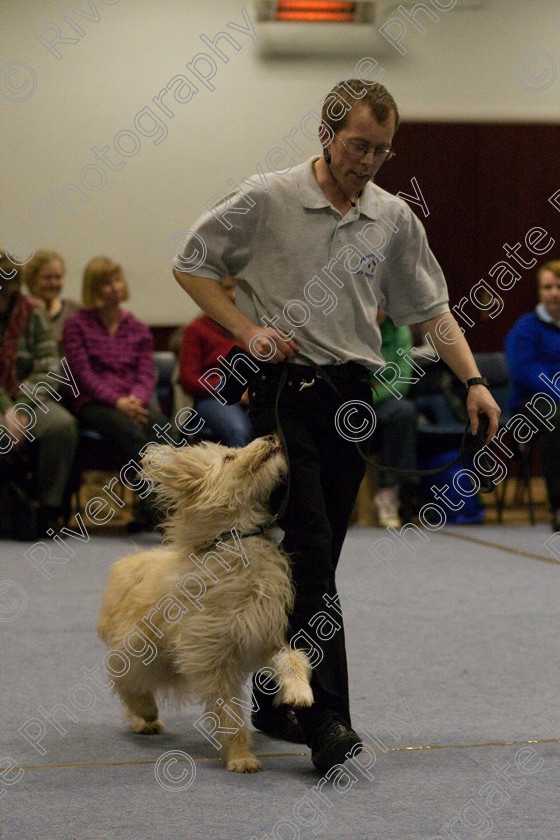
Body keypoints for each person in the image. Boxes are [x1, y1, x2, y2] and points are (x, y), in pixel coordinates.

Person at [172, 80, 500, 773]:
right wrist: (247, 331)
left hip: (353, 400)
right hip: (284, 394)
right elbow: (191, 263)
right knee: (313, 550)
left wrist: (472, 380)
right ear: (325, 134)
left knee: (309, 562)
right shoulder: (268, 197)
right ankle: (328, 724)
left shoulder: (393, 217)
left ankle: (272, 694)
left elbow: (432, 309)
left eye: (381, 150)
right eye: (358, 145)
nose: (368, 161)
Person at [62, 256, 173, 531]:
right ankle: (159, 513)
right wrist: (117, 401)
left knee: (168, 432)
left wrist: (136, 398)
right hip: (95, 404)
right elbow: (83, 374)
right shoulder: (76, 325)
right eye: (106, 283)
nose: (114, 287)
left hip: (134, 402)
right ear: (93, 289)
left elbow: (147, 372)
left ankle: (168, 505)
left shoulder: (137, 327)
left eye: (117, 280)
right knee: (133, 435)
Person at [0, 253, 78, 536]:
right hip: (3, 403)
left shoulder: (33, 314)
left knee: (61, 425)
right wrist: (7, 409)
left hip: (29, 399)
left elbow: (48, 368)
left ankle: (48, 510)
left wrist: (21, 407)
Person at [505, 259, 560, 530]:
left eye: (559, 287)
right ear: (539, 292)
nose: (554, 293)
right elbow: (525, 372)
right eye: (547, 287)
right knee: (555, 415)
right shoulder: (526, 328)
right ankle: (558, 506)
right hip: (532, 405)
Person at [178, 277, 253, 447]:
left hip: (251, 394)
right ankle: (239, 474)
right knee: (238, 430)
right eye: (226, 289)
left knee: (274, 425)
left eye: (236, 289)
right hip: (213, 398)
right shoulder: (196, 329)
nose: (233, 295)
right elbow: (189, 379)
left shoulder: (251, 327)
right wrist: (229, 389)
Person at [371, 309, 418, 528]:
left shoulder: (400, 331)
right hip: (348, 405)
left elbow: (402, 381)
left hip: (382, 405)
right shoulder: (350, 329)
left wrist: (370, 394)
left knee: (404, 412)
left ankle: (389, 494)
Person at [23, 250, 79, 348]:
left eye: (58, 277)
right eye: (47, 278)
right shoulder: (20, 312)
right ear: (31, 279)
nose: (53, 283)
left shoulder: (75, 310)